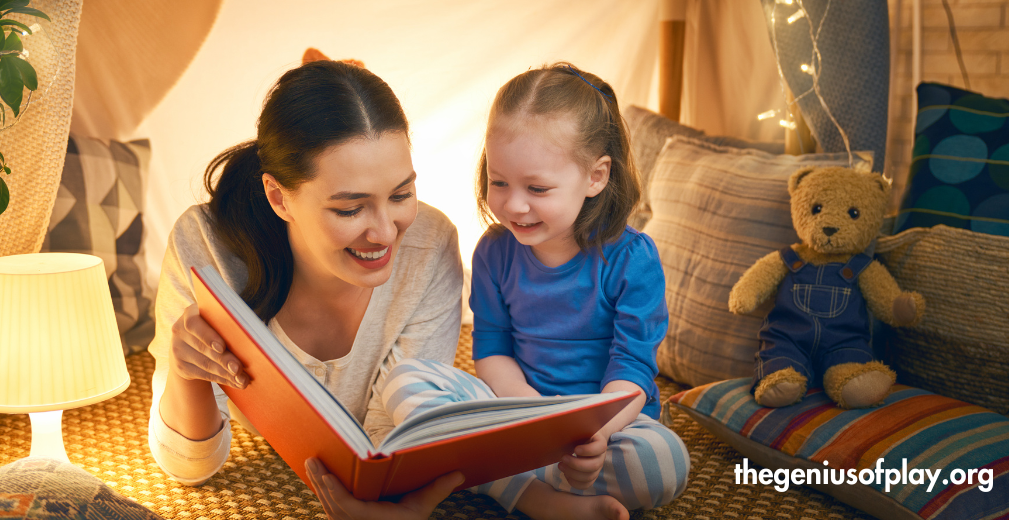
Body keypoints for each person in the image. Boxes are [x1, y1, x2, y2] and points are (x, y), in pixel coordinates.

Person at [146, 60, 466, 519]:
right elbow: (189, 467)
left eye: (400, 196)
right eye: (351, 209)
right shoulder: (206, 246)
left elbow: (392, 441)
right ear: (279, 198)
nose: (385, 232)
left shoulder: (430, 245)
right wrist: (187, 373)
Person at [380, 63, 690, 520]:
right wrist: (530, 417)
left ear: (596, 177)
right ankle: (536, 498)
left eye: (538, 187)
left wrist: (594, 434)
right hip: (514, 410)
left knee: (664, 461)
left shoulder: (632, 259)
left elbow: (633, 370)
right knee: (404, 380)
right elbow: (491, 350)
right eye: (499, 181)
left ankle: (493, 476)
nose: (514, 204)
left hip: (606, 423)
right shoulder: (493, 252)